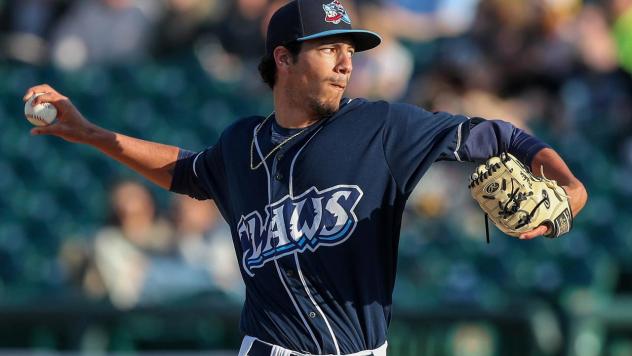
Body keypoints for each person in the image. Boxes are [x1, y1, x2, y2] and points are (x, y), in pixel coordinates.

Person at [23, 0, 588, 355]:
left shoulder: (382, 125)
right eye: (330, 49)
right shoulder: (240, 144)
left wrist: (570, 185)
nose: (347, 62)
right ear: (285, 59)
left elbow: (502, 135)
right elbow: (186, 171)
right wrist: (90, 133)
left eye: (350, 50)